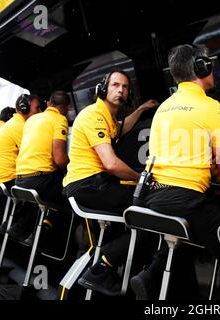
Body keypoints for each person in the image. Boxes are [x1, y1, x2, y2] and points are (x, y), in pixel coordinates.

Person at [130, 44, 220, 300]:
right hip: (185, 200)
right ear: (202, 68)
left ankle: (151, 275)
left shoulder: (163, 108)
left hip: (151, 197)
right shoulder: (211, 107)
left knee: (185, 235)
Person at [63, 69, 159, 296]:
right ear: (103, 88)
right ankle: (101, 270)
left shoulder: (107, 117)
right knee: (151, 214)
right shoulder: (94, 115)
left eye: (125, 87)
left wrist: (142, 109)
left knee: (141, 212)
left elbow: (120, 128)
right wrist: (141, 180)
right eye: (115, 85)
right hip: (87, 184)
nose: (120, 90)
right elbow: (112, 165)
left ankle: (117, 271)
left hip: (94, 183)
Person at [11, 91, 71, 243]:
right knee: (73, 197)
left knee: (53, 194)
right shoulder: (60, 119)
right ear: (67, 108)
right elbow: (59, 158)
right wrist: (71, 173)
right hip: (39, 180)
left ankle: (25, 231)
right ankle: (46, 240)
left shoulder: (31, 120)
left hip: (19, 181)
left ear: (49, 104)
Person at [0, 95, 41, 230]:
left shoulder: (12, 123)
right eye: (37, 108)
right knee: (37, 199)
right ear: (24, 109)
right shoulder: (20, 126)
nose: (40, 112)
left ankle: (3, 232)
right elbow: (31, 153)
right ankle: (14, 234)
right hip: (8, 180)